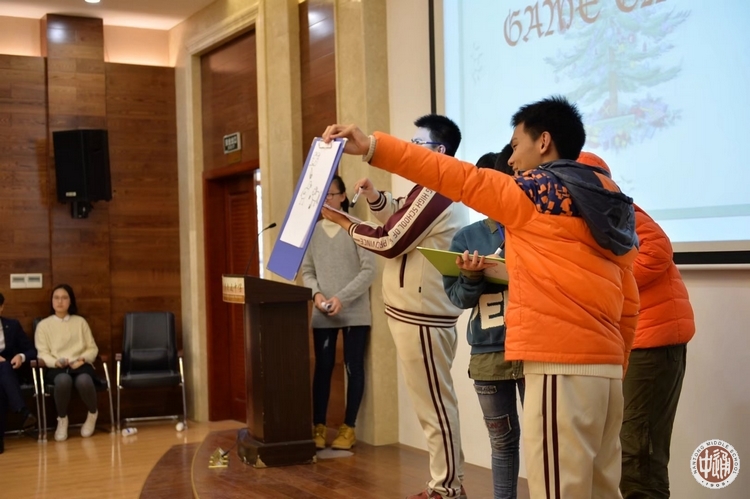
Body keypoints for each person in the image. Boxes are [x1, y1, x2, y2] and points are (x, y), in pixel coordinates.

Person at [322, 95, 640, 498]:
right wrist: (618, 361)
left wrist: (372, 146)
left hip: (559, 364)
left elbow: (457, 177)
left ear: (543, 142)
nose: (512, 159)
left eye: (517, 145)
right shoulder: (608, 201)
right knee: (602, 489)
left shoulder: (535, 193)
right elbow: (629, 298)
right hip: (606, 369)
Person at [321, 114, 469, 499]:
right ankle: (447, 483)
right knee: (433, 405)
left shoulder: (440, 189)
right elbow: (401, 215)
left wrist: (344, 222)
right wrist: (374, 198)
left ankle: (447, 489)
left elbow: (390, 241)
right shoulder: (430, 187)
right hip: (416, 313)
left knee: (435, 406)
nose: (409, 150)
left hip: (425, 315)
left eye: (417, 145)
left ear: (439, 150)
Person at [577, 152, 695, 499]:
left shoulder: (618, 208)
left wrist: (606, 284)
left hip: (653, 341)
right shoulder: (595, 215)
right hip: (632, 342)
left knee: (638, 452)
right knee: (627, 447)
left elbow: (656, 251)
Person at [443, 145, 525, 499]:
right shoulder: (465, 237)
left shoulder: (529, 226)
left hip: (534, 349)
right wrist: (472, 277)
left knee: (545, 439)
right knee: (502, 442)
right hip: (488, 355)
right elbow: (458, 299)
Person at [301, 175, 376, 451]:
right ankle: (318, 426)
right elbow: (307, 271)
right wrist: (317, 295)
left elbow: (369, 271)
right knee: (322, 368)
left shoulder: (359, 228)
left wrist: (341, 298)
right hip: (322, 311)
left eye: (330, 195)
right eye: (321, 197)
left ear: (343, 196)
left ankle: (349, 428)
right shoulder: (313, 233)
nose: (325, 201)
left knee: (353, 366)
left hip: (355, 311)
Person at [35, 284, 100, 442]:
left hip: (80, 364)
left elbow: (92, 348)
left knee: (84, 380)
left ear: (70, 301)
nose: (60, 301)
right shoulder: (43, 325)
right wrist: (56, 362)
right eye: (56, 298)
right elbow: (42, 353)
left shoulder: (80, 322)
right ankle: (62, 419)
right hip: (57, 367)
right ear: (52, 301)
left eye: (64, 298)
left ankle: (92, 414)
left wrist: (82, 359)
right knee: (63, 380)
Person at [0, 293, 38, 454]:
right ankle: (22, 411)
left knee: (2, 382)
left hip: (9, 375)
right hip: (6, 375)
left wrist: (20, 356)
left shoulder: (12, 325)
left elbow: (31, 351)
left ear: (1, 307)